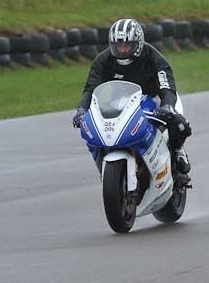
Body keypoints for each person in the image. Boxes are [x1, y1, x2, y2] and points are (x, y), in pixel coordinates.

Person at [72, 18, 192, 175]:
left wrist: (167, 106)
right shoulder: (103, 60)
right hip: (121, 102)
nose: (122, 50)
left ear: (138, 43)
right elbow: (90, 88)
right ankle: (104, 164)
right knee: (90, 129)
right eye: (118, 45)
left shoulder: (153, 57)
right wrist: (82, 109)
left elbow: (166, 85)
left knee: (179, 123)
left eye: (126, 45)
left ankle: (178, 151)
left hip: (156, 99)